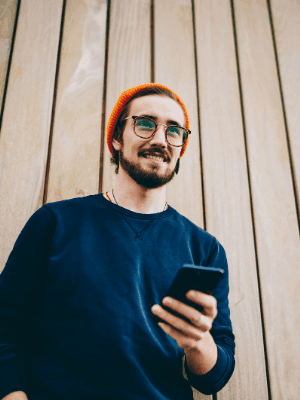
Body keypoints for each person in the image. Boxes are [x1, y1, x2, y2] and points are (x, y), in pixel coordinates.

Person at [0, 83, 235, 400]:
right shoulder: (54, 223)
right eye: (145, 124)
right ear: (116, 138)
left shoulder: (204, 249)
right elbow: (5, 327)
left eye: (174, 131)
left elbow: (213, 380)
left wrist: (198, 341)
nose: (159, 139)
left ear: (181, 149)